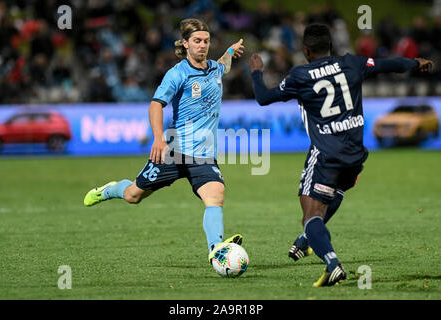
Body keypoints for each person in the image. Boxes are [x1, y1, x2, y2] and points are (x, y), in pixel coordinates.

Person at [249, 24, 433, 287]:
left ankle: (332, 262)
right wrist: (415, 63)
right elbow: (386, 64)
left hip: (326, 155)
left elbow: (264, 97)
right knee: (334, 193)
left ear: (306, 51)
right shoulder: (352, 64)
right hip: (355, 156)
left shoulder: (300, 75)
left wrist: (256, 73)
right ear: (331, 47)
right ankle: (305, 240)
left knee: (310, 213)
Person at [83, 18, 245, 264]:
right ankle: (109, 190)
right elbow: (156, 105)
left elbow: (224, 65)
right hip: (174, 149)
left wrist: (231, 52)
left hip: (202, 153)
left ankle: (216, 250)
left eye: (206, 41)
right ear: (185, 44)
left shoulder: (214, 68)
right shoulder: (178, 74)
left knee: (216, 195)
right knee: (133, 195)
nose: (202, 45)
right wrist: (158, 139)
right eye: (197, 41)